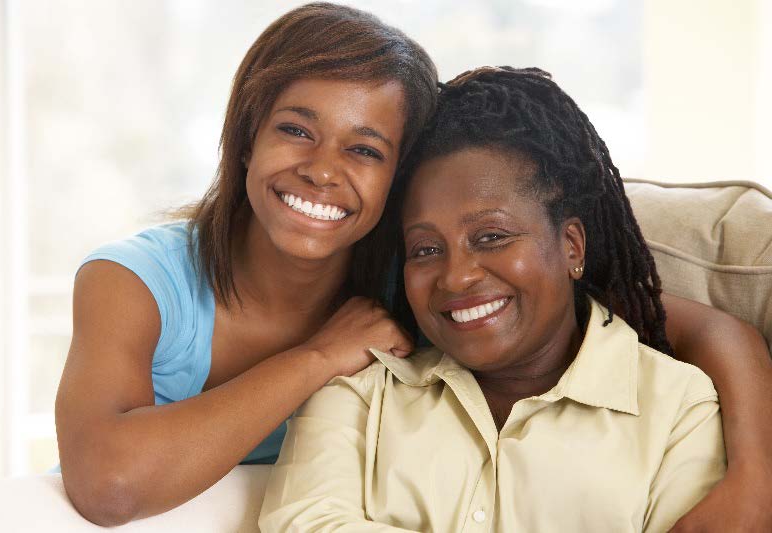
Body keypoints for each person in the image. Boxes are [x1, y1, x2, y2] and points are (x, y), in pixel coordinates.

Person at [56, 3, 772, 527]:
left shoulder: (426, 283)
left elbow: (707, 330)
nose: (321, 171)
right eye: (296, 130)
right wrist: (316, 357)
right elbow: (108, 484)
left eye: (364, 149)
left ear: (397, 179)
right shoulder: (133, 281)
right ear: (246, 136)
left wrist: (756, 480)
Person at [259, 67, 772, 532]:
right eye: (426, 249)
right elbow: (304, 523)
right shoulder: (360, 391)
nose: (456, 277)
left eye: (491, 238)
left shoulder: (677, 410)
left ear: (571, 246)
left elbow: (714, 331)